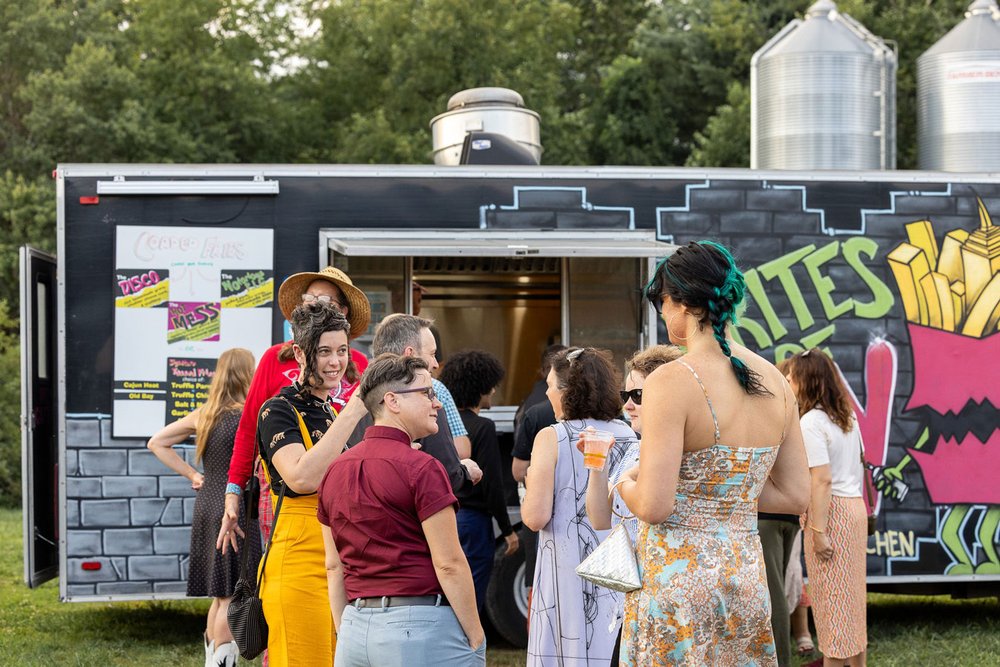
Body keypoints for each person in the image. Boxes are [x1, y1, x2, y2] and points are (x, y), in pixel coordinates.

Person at [617, 240, 810, 666]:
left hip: (678, 580)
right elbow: (797, 495)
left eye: (663, 304)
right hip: (744, 576)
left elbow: (653, 504)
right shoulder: (776, 380)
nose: (664, 315)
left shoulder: (672, 380)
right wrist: (724, 500)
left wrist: (623, 482)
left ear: (682, 303)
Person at [319, 354, 486, 666]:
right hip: (417, 627)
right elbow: (449, 563)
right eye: (427, 393)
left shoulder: (334, 470)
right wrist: (476, 636)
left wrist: (347, 629)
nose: (436, 403)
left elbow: (334, 566)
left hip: (356, 625)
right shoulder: (422, 468)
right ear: (392, 401)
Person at [218, 266, 371, 560]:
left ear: (343, 312)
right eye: (309, 297)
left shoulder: (359, 364)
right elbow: (250, 427)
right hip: (286, 490)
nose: (314, 303)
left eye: (325, 300)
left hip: (347, 490)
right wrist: (233, 492)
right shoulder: (274, 359)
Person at [254, 302, 369, 666]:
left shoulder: (330, 410)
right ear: (301, 353)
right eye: (324, 352)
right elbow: (301, 477)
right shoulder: (278, 410)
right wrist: (355, 409)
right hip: (300, 563)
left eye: (341, 351)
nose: (336, 362)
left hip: (341, 560)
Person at [521, 347, 638, 666]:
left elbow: (535, 516)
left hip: (566, 570)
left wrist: (531, 479)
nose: (546, 392)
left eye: (550, 385)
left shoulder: (553, 437)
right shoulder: (628, 433)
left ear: (567, 391)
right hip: (618, 569)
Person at [147, 347, 259, 667]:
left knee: (219, 594)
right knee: (231, 594)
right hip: (233, 507)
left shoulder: (205, 413)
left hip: (207, 502)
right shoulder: (246, 415)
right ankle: (224, 664)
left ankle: (213, 661)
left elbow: (157, 442)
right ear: (245, 373)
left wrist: (194, 474)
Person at [584, 344, 683, 667]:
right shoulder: (635, 449)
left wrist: (624, 480)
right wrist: (596, 466)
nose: (627, 404)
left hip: (665, 600)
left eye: (638, 395)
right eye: (625, 393)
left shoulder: (678, 451)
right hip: (632, 600)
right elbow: (600, 519)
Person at [785, 348, 868, 667]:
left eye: (792, 376)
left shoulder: (811, 422)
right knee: (853, 606)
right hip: (854, 510)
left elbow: (821, 480)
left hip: (830, 515)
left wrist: (818, 531)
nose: (788, 381)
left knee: (832, 609)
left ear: (807, 381)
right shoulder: (846, 416)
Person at [347, 313, 481, 491]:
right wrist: (465, 472)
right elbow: (447, 476)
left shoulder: (354, 402)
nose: (435, 363)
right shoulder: (426, 400)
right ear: (410, 354)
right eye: (432, 354)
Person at [439, 349, 519, 610]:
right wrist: (507, 530)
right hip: (474, 522)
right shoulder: (483, 427)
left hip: (444, 516)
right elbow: (492, 484)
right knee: (471, 594)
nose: (493, 392)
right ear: (479, 388)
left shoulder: (438, 422)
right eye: (490, 387)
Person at [757, 356, 806, 667]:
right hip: (788, 513)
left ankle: (780, 660)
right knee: (780, 587)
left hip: (769, 514)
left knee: (773, 593)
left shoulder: (768, 414)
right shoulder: (792, 413)